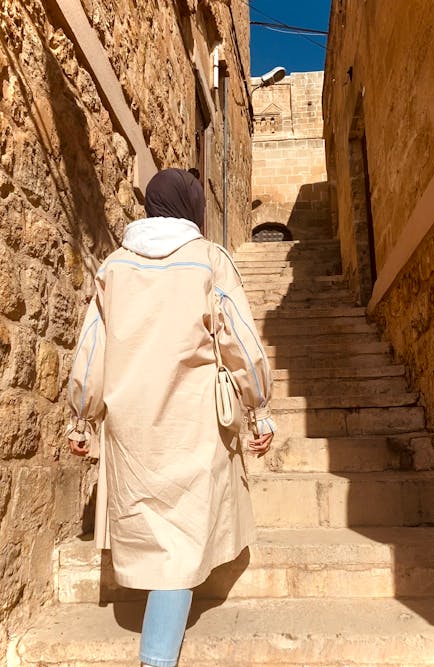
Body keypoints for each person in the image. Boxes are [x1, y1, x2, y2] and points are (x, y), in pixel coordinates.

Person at [66, 168, 275, 667]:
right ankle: (156, 657)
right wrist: (258, 409)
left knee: (157, 525)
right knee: (180, 539)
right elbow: (240, 341)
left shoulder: (113, 266)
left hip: (131, 425)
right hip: (191, 422)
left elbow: (91, 349)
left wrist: (81, 417)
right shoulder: (208, 260)